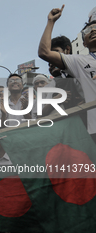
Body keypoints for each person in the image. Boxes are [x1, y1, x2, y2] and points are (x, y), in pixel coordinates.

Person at [38, 5, 96, 143]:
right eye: (88, 30)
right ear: (84, 42)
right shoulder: (79, 61)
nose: (93, 30)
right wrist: (50, 22)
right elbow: (44, 52)